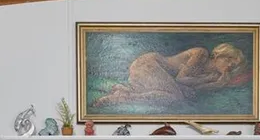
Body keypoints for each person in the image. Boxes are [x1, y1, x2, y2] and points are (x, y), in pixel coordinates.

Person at [91, 43, 249, 107]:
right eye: (228, 59)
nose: (230, 65)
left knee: (175, 94)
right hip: (148, 64)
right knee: (176, 96)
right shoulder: (201, 54)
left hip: (154, 76)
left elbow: (192, 89)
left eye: (234, 64)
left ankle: (123, 90)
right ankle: (119, 98)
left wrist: (216, 84)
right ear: (218, 55)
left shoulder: (214, 75)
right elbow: (181, 79)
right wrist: (212, 82)